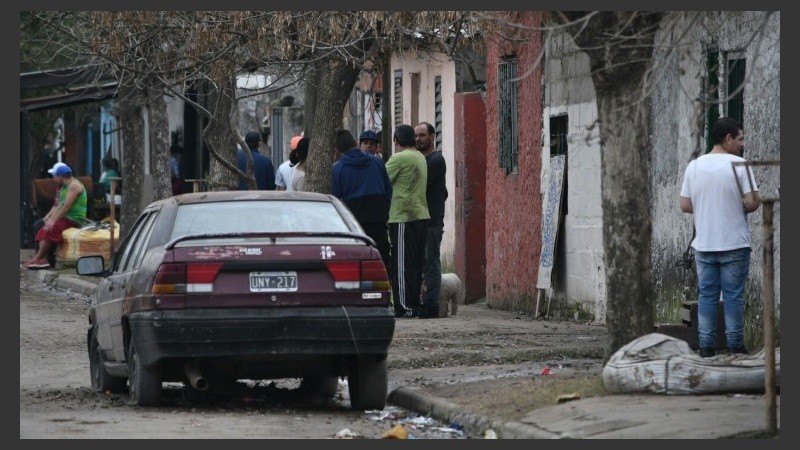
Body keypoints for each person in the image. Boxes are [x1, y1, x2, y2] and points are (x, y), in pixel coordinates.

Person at [679, 117, 761, 358]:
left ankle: (706, 347)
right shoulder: (739, 165)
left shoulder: (694, 166)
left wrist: (708, 206)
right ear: (728, 139)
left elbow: (684, 205)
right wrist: (739, 205)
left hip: (704, 244)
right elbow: (753, 202)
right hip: (734, 242)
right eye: (740, 139)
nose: (742, 144)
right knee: (733, 295)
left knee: (707, 295)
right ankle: (735, 346)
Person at [331, 129, 393, 272]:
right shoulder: (377, 162)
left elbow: (335, 199)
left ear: (337, 149)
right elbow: (388, 191)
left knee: (358, 265)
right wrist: (383, 211)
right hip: (378, 222)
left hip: (354, 226)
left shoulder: (338, 168)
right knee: (382, 263)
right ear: (355, 143)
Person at [385, 124, 430, 318]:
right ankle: (414, 304)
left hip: (403, 215)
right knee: (415, 264)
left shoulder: (399, 158)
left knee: (402, 265)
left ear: (396, 141)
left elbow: (382, 180)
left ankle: (404, 306)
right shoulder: (420, 157)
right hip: (420, 214)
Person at [24, 162, 87, 269]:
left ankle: (40, 259)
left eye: (54, 176)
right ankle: (41, 259)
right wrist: (50, 219)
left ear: (60, 176)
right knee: (44, 228)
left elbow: (66, 206)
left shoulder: (74, 185)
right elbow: (58, 206)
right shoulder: (63, 188)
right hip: (66, 217)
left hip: (74, 219)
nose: (53, 178)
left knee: (49, 229)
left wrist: (53, 221)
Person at [415, 122, 449, 319]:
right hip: (420, 219)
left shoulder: (435, 160)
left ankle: (431, 305)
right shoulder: (419, 160)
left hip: (431, 222)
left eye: (422, 135)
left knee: (431, 263)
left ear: (431, 137)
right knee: (423, 264)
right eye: (416, 136)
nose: (418, 139)